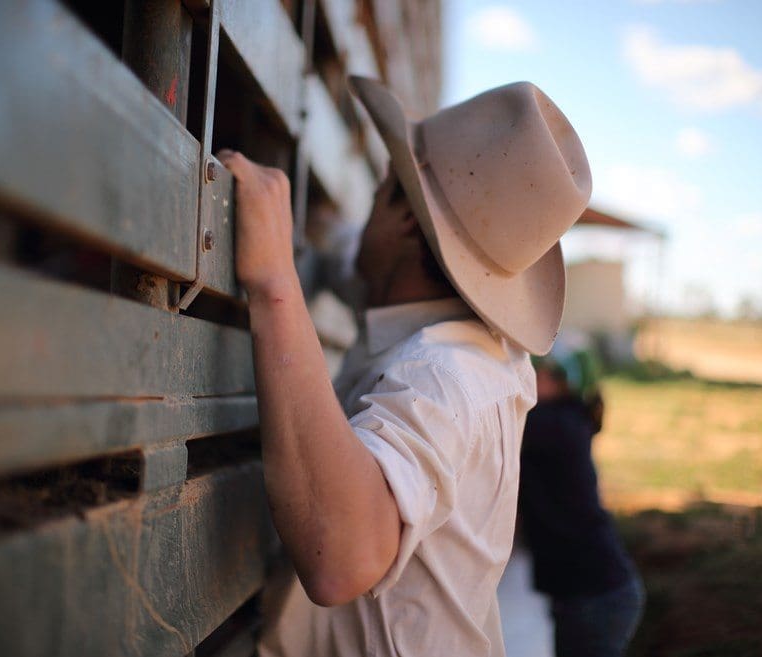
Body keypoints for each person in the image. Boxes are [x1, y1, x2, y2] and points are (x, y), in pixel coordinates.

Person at [218, 75, 593, 656]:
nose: (366, 211)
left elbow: (340, 559)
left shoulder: (446, 375)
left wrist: (275, 283)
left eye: (379, 193)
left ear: (402, 223)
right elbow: (361, 261)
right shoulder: (465, 343)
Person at [517, 338, 645, 657]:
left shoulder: (552, 425)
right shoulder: (565, 420)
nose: (532, 378)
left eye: (544, 373)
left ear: (566, 383)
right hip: (595, 591)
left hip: (595, 596)